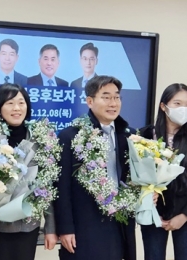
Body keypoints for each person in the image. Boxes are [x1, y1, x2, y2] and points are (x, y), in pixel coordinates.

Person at [54, 76, 137, 260]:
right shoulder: (71, 136)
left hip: (119, 222)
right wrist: (65, 228)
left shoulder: (130, 135)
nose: (113, 103)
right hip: (85, 223)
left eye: (116, 97)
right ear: (89, 101)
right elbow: (62, 187)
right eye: (106, 97)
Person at [0, 83, 58, 260]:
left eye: (21, 102)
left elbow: (47, 188)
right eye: (10, 103)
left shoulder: (39, 139)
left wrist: (51, 229)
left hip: (25, 226)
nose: (17, 108)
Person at [139, 83, 187, 260]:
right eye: (177, 103)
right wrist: (148, 206)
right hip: (154, 214)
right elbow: (134, 176)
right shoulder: (144, 136)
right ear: (163, 106)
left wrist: (184, 216)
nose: (184, 108)